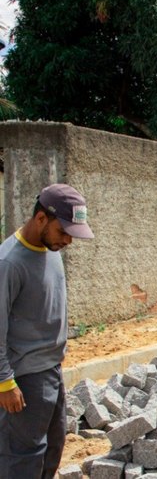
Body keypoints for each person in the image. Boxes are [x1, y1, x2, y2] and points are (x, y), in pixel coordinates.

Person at [0, 184, 95, 478]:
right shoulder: (9, 263)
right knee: (22, 457)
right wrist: (4, 382)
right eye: (63, 232)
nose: (68, 240)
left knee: (53, 447)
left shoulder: (49, 247)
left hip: (51, 369)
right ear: (41, 218)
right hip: (24, 377)